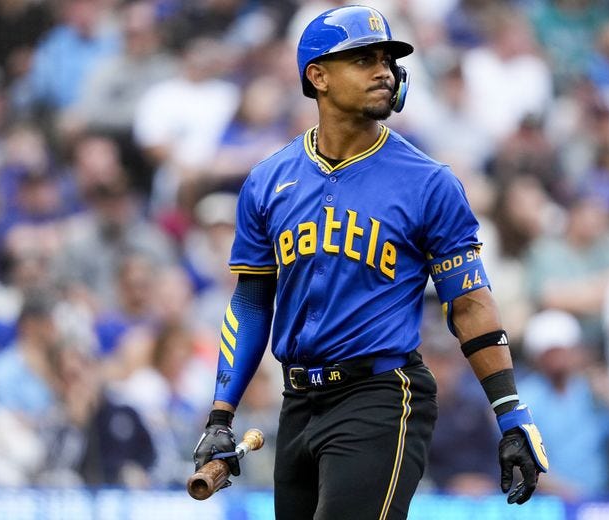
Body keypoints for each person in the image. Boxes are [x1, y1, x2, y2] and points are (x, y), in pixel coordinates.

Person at [192, 5, 548, 519]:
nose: (383, 71)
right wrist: (220, 416)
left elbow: (470, 304)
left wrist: (512, 413)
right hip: (298, 402)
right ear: (318, 77)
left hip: (381, 395)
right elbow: (251, 303)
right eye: (362, 59)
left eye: (386, 59)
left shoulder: (429, 182)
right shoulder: (268, 180)